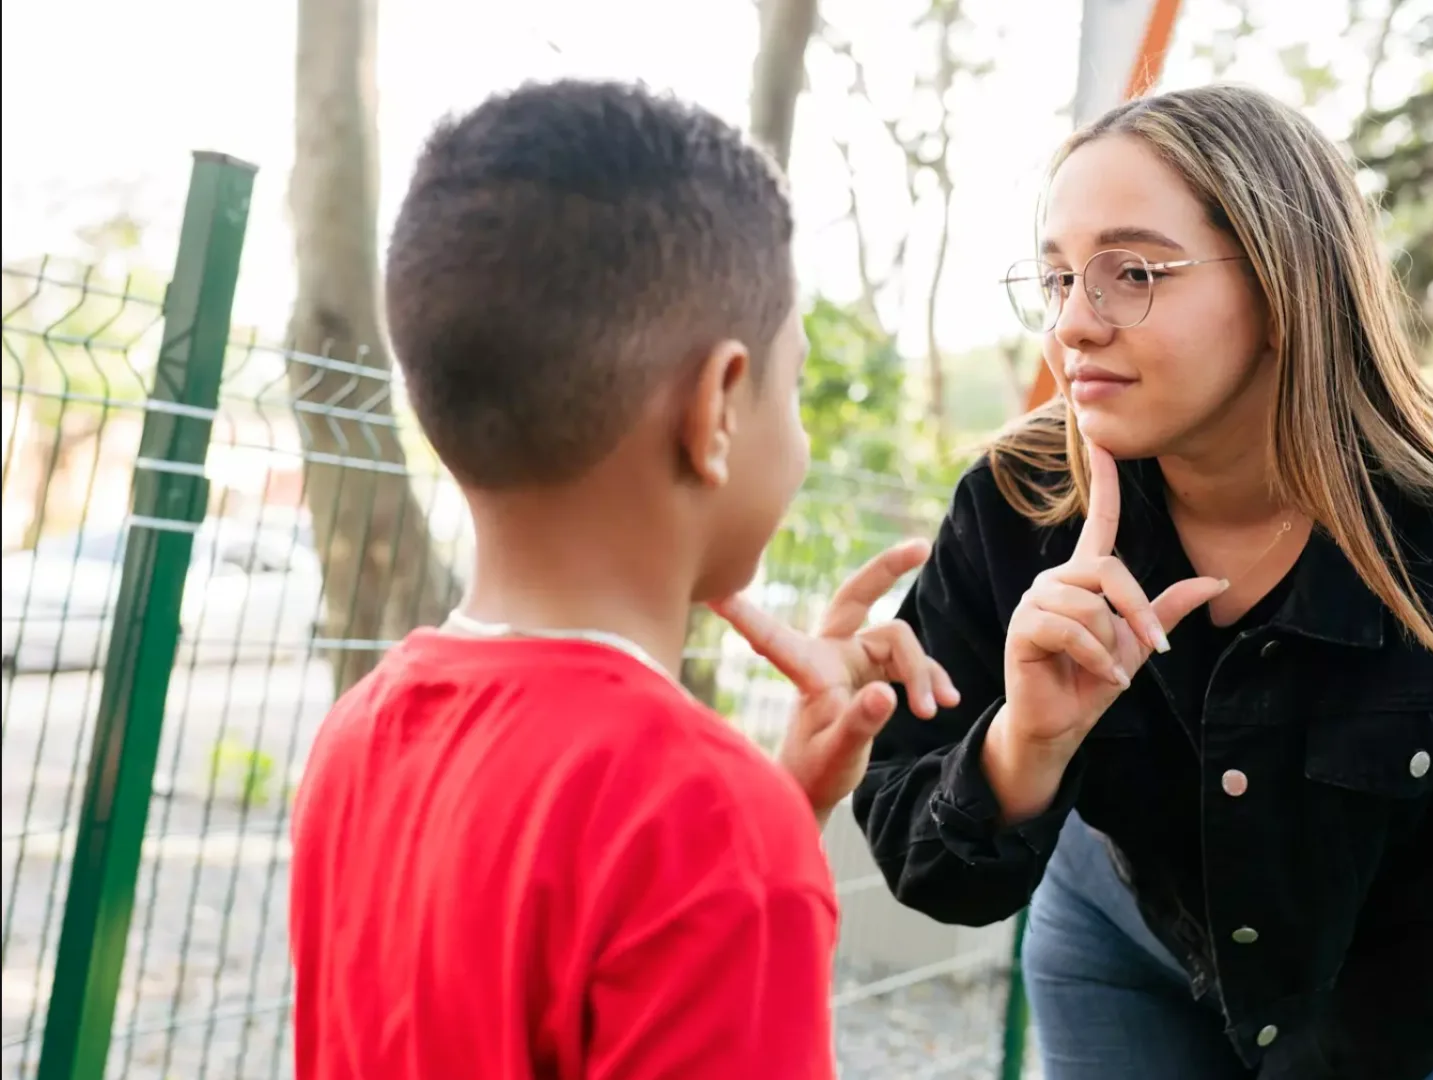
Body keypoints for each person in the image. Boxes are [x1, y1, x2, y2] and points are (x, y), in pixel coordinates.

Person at [854, 84, 1433, 1080]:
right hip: (1126, 947)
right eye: (1059, 278)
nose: (1076, 323)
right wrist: (1026, 742)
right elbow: (922, 857)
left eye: (1134, 272)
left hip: (1417, 991)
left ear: (1288, 288)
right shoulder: (1016, 509)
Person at [288, 79, 958, 1080]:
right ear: (718, 406)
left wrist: (781, 808)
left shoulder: (360, 732)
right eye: (798, 387)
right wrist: (752, 834)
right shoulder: (710, 830)